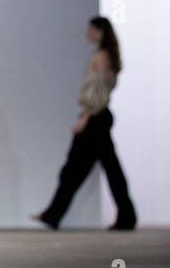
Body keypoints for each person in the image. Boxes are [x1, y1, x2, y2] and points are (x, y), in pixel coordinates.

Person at [32, 16, 136, 230]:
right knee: (109, 169)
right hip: (99, 117)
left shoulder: (100, 56)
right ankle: (126, 215)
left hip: (95, 118)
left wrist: (86, 117)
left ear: (99, 31)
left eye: (90, 29)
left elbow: (98, 92)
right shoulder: (107, 56)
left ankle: (54, 214)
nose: (87, 32)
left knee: (74, 169)